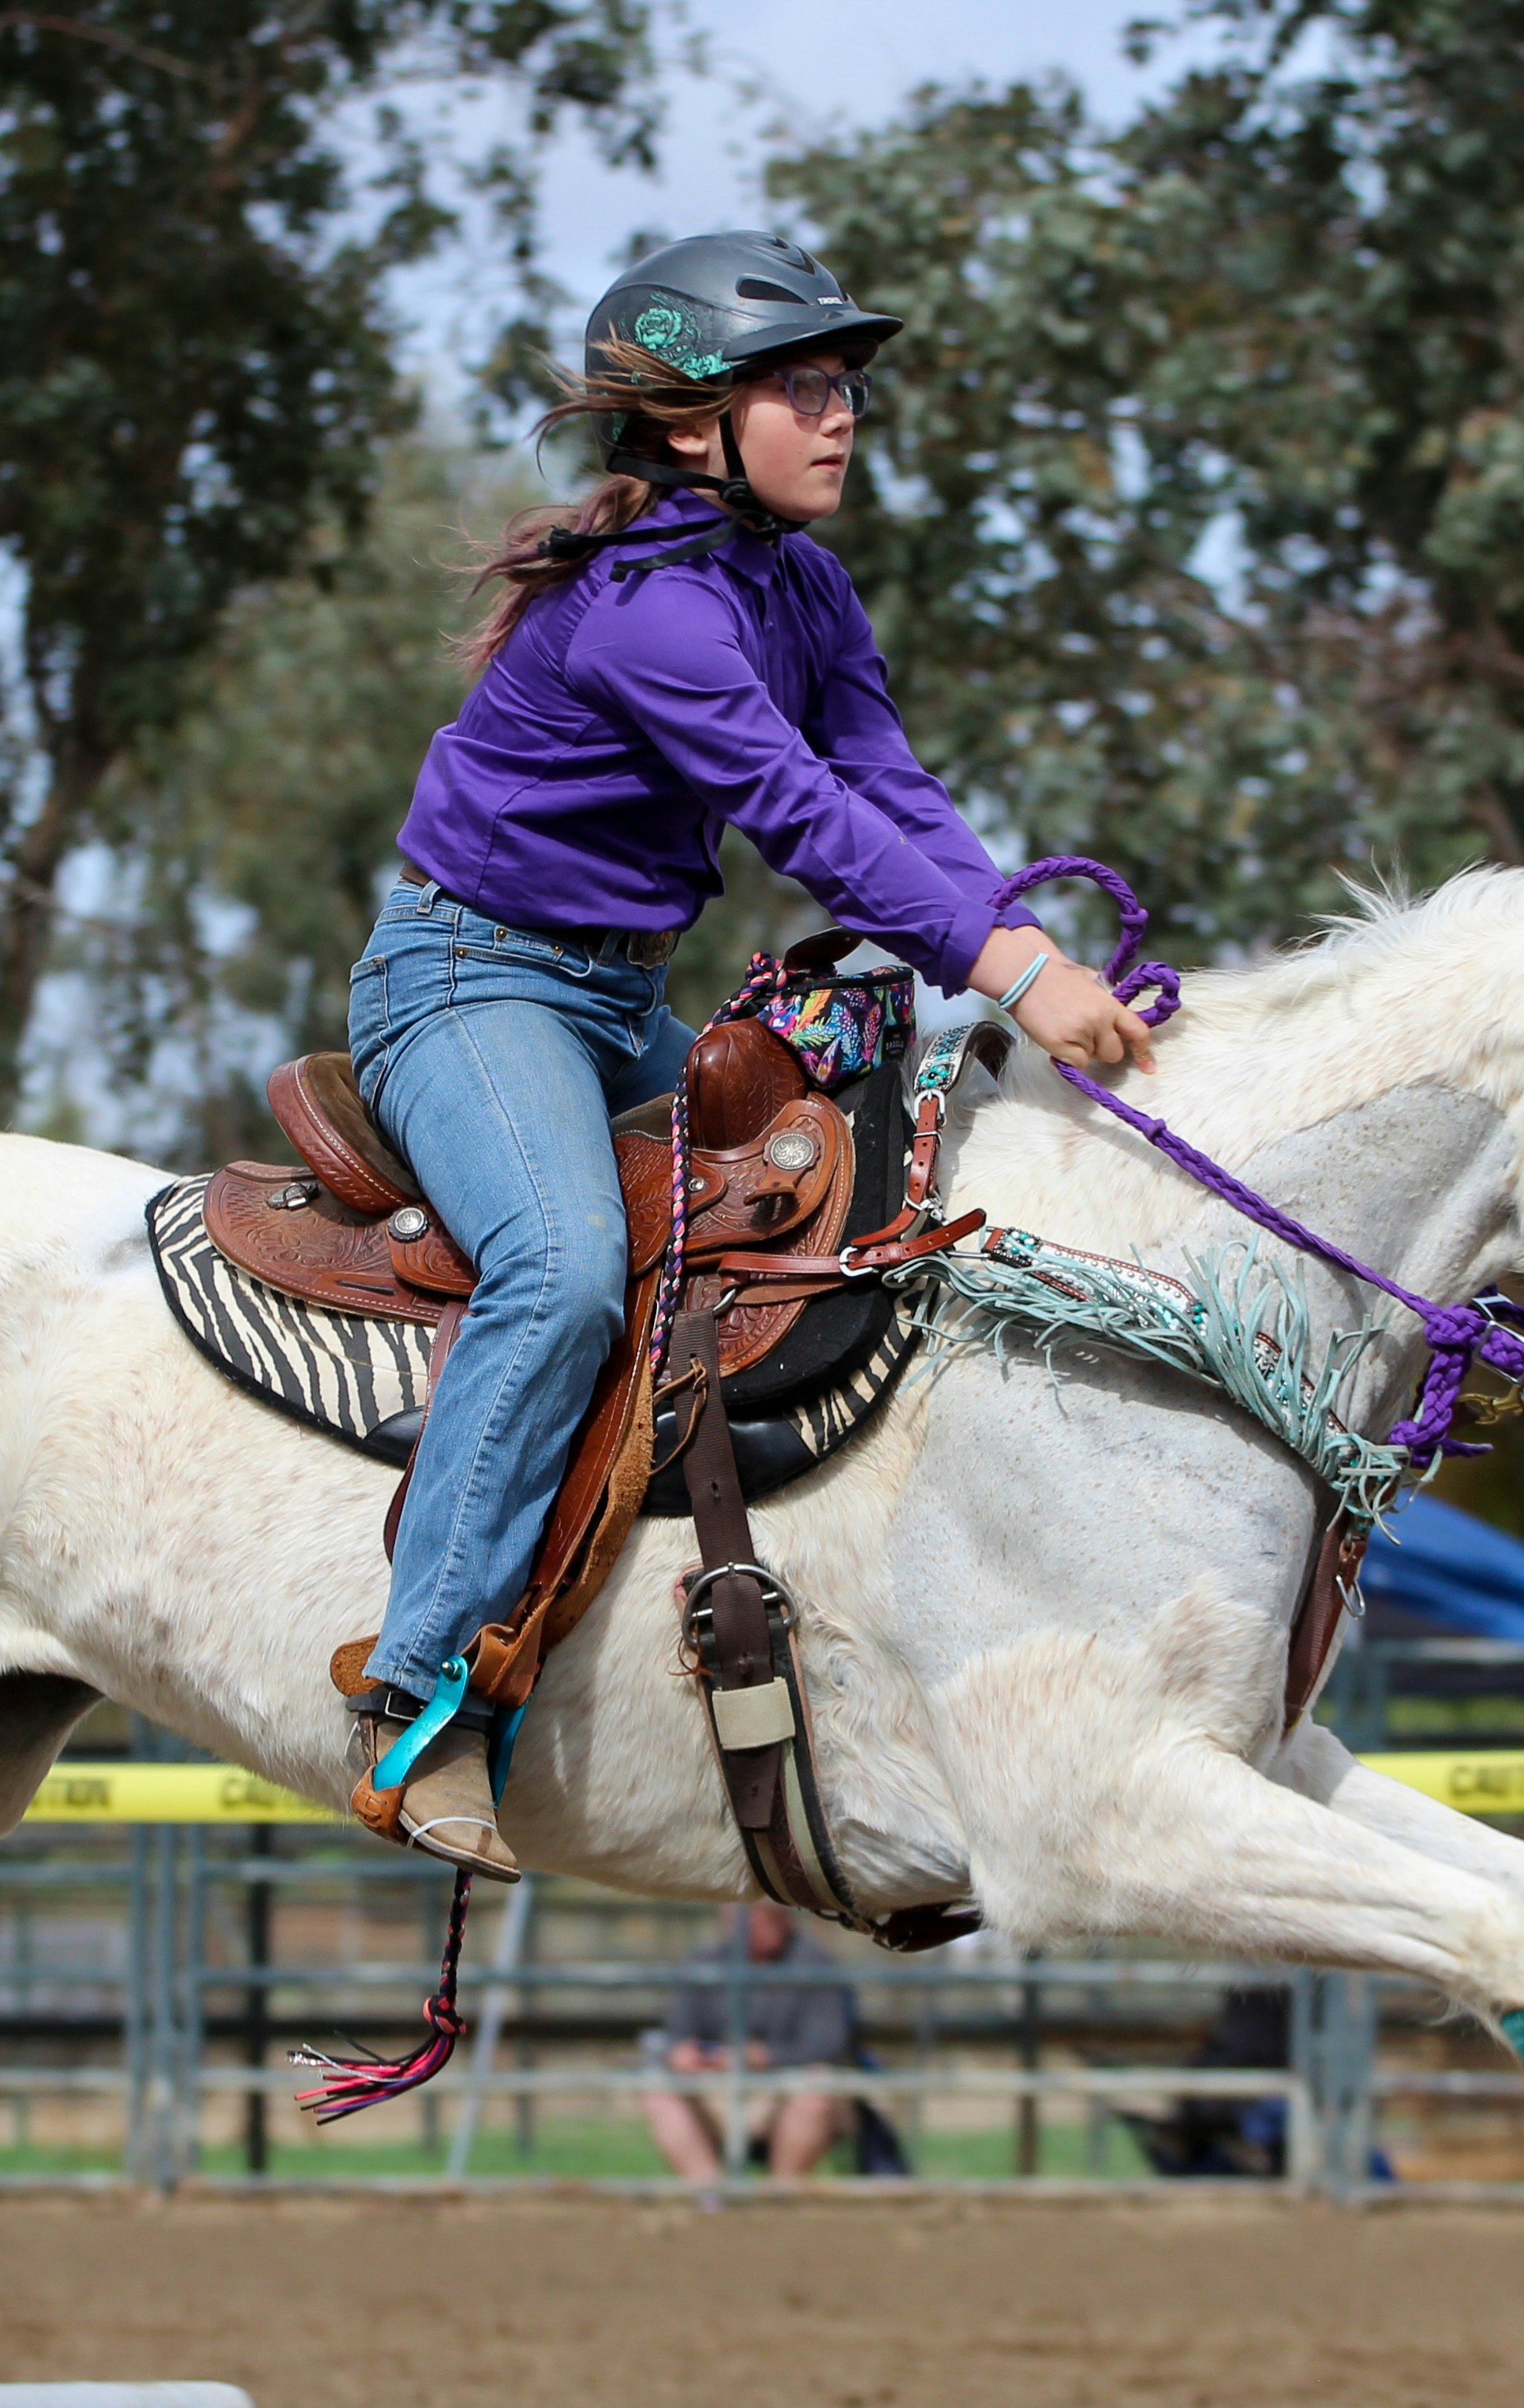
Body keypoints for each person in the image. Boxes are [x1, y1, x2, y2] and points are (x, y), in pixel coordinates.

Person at [342, 231, 1163, 1877]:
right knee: (568, 1271)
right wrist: (1011, 968)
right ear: (689, 423)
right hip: (464, 985)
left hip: (610, 997)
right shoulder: (648, 612)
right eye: (802, 387)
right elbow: (800, 819)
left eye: (846, 385)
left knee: (866, 1220)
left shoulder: (801, 583)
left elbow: (892, 792)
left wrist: (1031, 955)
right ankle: (416, 1697)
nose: (841, 415)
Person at [640, 1905, 863, 2182]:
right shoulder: (705, 1961)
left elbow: (828, 2044)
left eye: (763, 1918)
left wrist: (763, 2057)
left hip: (783, 2086)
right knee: (658, 2090)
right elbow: (677, 2034)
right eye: (742, 1920)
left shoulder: (816, 1964)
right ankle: (710, 2195)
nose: (751, 1926)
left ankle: (781, 2195)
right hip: (717, 2084)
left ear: (784, 1919)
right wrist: (684, 2054)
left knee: (816, 2089)